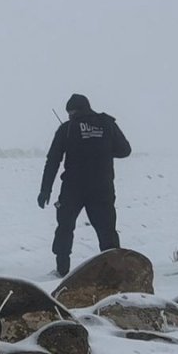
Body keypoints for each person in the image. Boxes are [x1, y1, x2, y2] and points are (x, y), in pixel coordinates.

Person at [38, 93, 132, 277]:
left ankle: (62, 270)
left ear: (72, 111)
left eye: (69, 113)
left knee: (65, 227)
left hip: (73, 188)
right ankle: (114, 272)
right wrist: (102, 147)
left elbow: (53, 160)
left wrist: (45, 190)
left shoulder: (66, 128)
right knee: (107, 230)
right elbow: (125, 150)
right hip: (102, 187)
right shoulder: (107, 123)